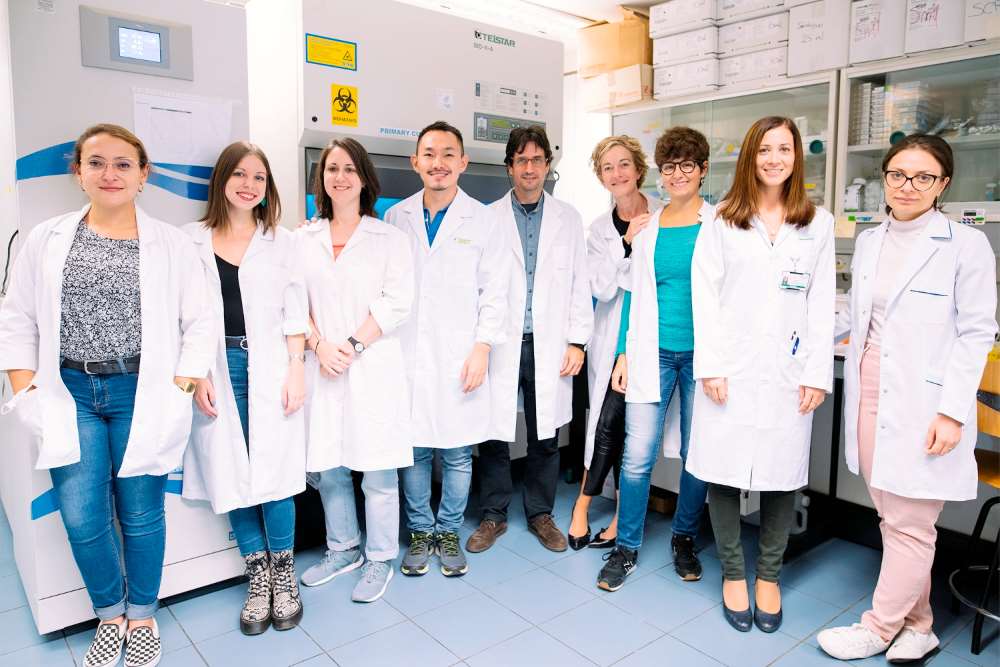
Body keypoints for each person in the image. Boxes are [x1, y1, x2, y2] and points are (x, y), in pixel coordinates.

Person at [0, 124, 214, 667]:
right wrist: (24, 390)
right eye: (96, 163)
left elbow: (200, 319)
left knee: (141, 513)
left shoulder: (171, 242)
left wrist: (182, 384)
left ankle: (141, 615)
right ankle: (109, 614)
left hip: (140, 390)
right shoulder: (45, 239)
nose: (110, 173)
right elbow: (17, 318)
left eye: (123, 163)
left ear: (143, 175)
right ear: (79, 172)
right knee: (81, 515)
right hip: (66, 390)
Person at [818, 135, 997, 662]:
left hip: (927, 401)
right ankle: (919, 625)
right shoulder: (872, 241)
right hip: (870, 390)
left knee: (909, 521)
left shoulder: (966, 245)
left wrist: (951, 412)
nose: (908, 186)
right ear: (884, 179)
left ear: (942, 184)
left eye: (923, 177)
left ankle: (878, 627)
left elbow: (977, 332)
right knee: (892, 514)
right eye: (898, 174)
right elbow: (856, 317)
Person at [687, 116, 835, 633]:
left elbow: (820, 304)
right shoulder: (723, 219)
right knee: (723, 471)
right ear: (751, 156)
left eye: (784, 149)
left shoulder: (817, 222)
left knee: (782, 474)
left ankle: (767, 576)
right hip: (729, 367)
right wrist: (711, 366)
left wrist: (817, 373)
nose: (774, 158)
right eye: (765, 149)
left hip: (789, 372)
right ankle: (733, 572)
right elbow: (703, 296)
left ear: (797, 157)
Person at [182, 141, 307, 635]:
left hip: (272, 363)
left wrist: (297, 369)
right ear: (222, 181)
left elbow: (295, 313)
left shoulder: (282, 242)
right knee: (230, 473)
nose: (249, 185)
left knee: (275, 475)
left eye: (259, 177)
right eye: (239, 174)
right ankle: (258, 577)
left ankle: (284, 576)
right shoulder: (190, 241)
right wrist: (197, 376)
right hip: (216, 365)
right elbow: (183, 317)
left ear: (268, 187)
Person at [387, 121, 509, 577]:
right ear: (415, 162)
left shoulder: (484, 220)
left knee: (458, 452)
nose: (438, 163)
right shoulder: (395, 218)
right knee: (415, 449)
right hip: (408, 353)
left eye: (448, 154)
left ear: (463, 163)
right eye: (429, 154)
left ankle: (449, 531)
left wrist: (481, 348)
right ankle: (420, 532)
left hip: (461, 352)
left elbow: (496, 291)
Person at [596, 126, 714, 592]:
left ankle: (684, 537)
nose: (678, 174)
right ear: (660, 175)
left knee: (695, 453)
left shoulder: (721, 224)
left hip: (704, 357)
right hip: (654, 353)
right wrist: (624, 352)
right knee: (638, 455)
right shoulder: (648, 228)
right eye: (669, 167)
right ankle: (626, 548)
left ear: (702, 171)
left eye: (687, 165)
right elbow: (631, 294)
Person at [297, 138, 415, 603]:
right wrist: (319, 345)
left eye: (349, 169)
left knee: (378, 471)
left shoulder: (389, 238)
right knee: (329, 467)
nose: (340, 177)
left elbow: (397, 302)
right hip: (320, 363)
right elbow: (291, 302)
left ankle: (381, 556)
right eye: (331, 170)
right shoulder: (301, 239)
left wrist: (348, 345)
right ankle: (342, 548)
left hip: (371, 364)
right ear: (320, 179)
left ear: (364, 178)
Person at [470, 125, 593, 554]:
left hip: (550, 341)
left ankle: (540, 513)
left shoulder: (568, 219)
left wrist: (577, 341)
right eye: (521, 160)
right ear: (509, 167)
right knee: (493, 430)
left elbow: (579, 281)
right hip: (501, 340)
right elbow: (476, 287)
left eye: (537, 159)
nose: (529, 168)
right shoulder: (486, 218)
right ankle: (493, 514)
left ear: (547, 166)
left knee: (544, 433)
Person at [567, 135, 656, 550]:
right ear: (601, 177)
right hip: (610, 337)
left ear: (638, 169)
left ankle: (618, 513)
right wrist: (625, 245)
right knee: (608, 423)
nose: (617, 173)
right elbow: (600, 288)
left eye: (624, 164)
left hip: (651, 335)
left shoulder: (664, 215)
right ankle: (586, 507)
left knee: (628, 429)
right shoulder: (599, 231)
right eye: (607, 168)